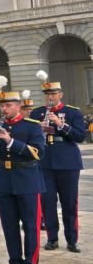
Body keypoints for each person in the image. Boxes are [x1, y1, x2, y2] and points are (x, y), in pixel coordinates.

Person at [0, 84, 45, 264]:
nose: (4, 109)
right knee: (9, 225)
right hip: (4, 179)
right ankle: (15, 262)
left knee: (30, 225)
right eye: (2, 106)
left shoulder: (32, 126)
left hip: (27, 180)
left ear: (18, 106)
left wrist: (10, 141)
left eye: (8, 105)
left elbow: (37, 153)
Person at [30, 76, 85, 253]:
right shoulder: (37, 113)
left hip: (68, 162)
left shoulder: (73, 112)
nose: (50, 97)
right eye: (47, 94)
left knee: (69, 202)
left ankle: (72, 239)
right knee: (48, 203)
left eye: (53, 94)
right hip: (45, 163)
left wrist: (61, 124)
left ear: (60, 94)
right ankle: (52, 238)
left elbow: (80, 136)